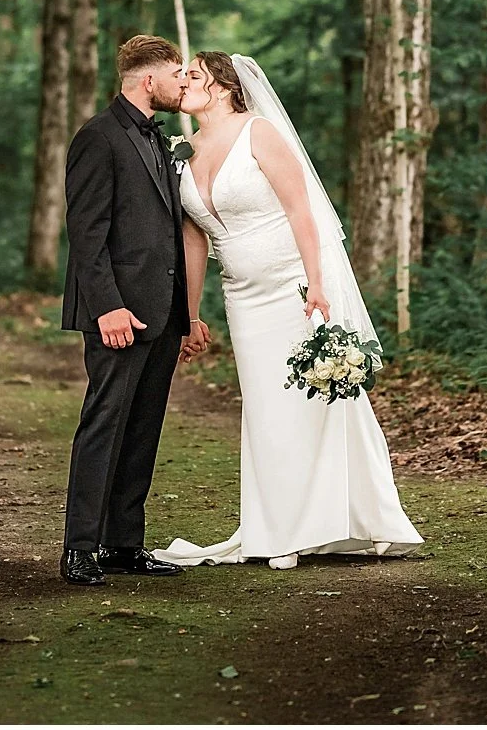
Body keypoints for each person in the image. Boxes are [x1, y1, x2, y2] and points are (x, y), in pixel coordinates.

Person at [153, 52, 423, 570]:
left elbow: (303, 209)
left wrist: (316, 285)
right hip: (243, 296)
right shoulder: (182, 150)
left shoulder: (259, 133)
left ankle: (360, 520)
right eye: (181, 75)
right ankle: (276, 527)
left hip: (294, 286)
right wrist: (189, 314)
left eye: (192, 75)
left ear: (225, 85)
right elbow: (192, 237)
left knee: (318, 400)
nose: (182, 82)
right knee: (265, 410)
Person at [58, 34, 213, 587]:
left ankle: (124, 543)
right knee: (104, 422)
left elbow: (170, 234)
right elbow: (86, 233)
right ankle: (79, 547)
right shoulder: (98, 137)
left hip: (162, 312)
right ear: (150, 80)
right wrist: (108, 308)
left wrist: (187, 315)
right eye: (177, 74)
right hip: (118, 313)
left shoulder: (160, 139)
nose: (182, 83)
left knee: (144, 428)